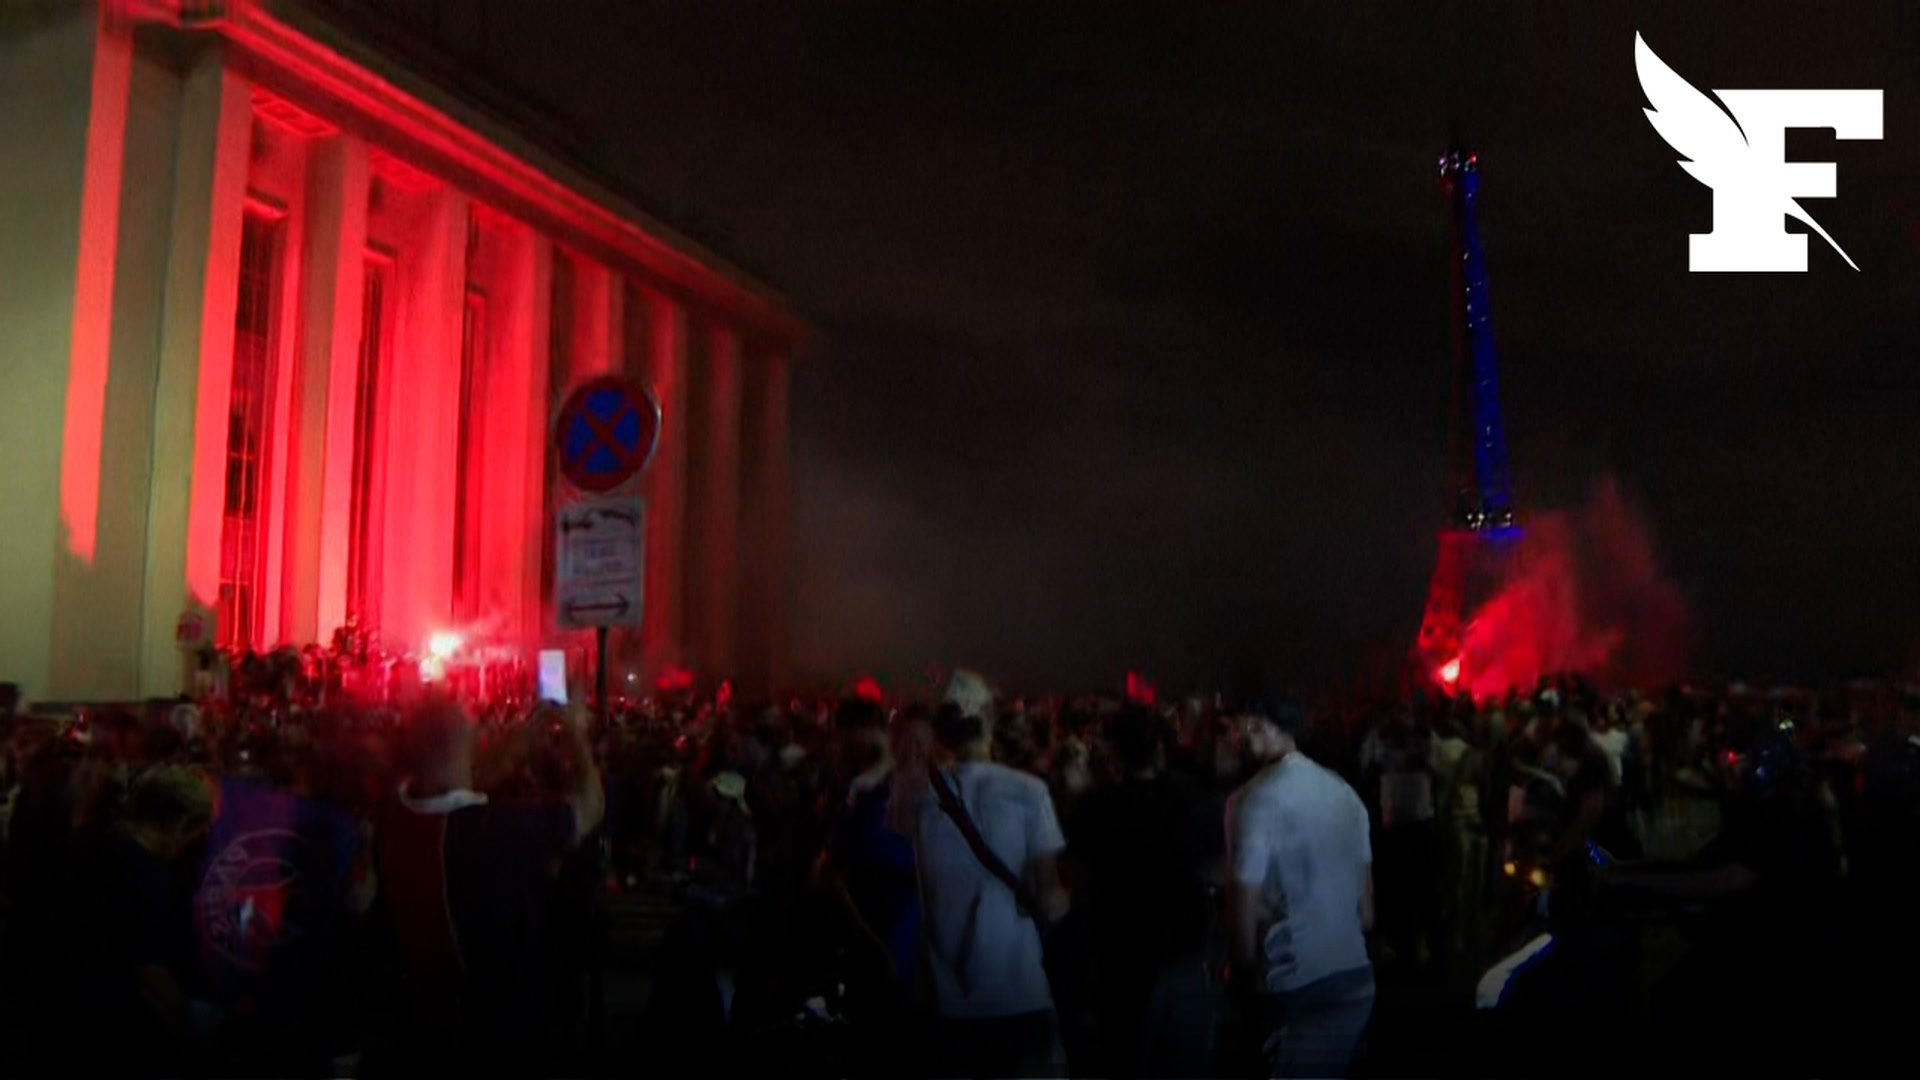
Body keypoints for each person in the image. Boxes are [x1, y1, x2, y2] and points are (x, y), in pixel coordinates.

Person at [376, 697, 604, 1074]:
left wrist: (522, 739)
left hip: (426, 1030)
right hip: (497, 1037)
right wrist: (578, 734)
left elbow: (462, 778)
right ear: (462, 750)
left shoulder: (394, 816)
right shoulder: (490, 830)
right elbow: (590, 807)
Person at [912, 670, 1070, 1079]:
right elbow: (1051, 902)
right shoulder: (1028, 792)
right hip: (1019, 999)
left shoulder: (916, 800)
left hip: (946, 1007)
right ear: (988, 719)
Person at [1069, 705, 1224, 1079]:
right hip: (1182, 953)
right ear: (1158, 747)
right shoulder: (1193, 799)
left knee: (1126, 1061)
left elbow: (1078, 877)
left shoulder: (1094, 806)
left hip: (1121, 959)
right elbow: (1217, 868)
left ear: (1115, 754)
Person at [1228, 699, 1376, 1080]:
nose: (1242, 736)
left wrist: (1244, 977)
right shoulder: (1346, 796)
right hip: (1354, 978)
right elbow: (1367, 912)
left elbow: (1243, 907)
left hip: (1295, 980)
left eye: (1254, 726)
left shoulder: (1253, 800)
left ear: (1283, 729)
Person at [55, 765, 219, 1078]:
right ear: (180, 823)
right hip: (122, 1036)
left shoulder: (89, 845)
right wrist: (193, 1042)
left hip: (70, 1023)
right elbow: (154, 978)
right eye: (201, 830)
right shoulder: (151, 879)